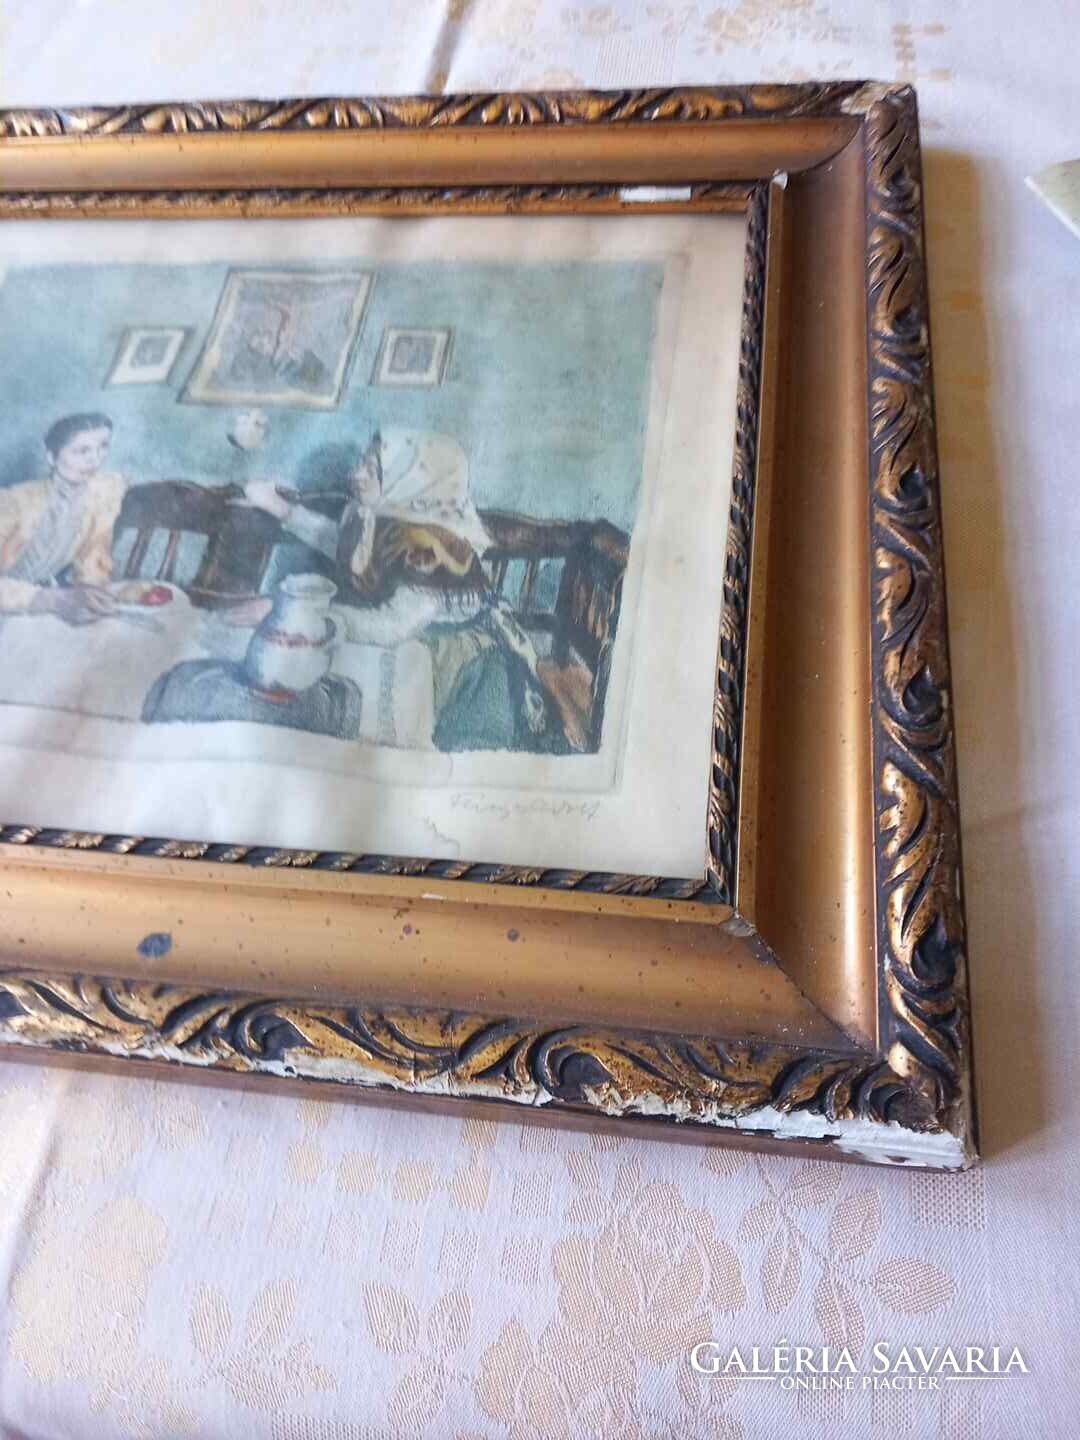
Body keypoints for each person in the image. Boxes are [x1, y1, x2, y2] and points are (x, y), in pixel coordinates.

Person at [243, 429, 571, 752]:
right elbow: (342, 546)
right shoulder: (388, 517)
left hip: (462, 667)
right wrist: (283, 510)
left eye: (374, 469)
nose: (357, 473)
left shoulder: (431, 545)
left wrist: (302, 616)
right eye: (363, 462)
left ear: (410, 479)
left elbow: (393, 625)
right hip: (414, 642)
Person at [0, 412, 126, 623]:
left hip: (47, 610)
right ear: (52, 457)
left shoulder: (100, 496)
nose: (95, 459)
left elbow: (93, 561)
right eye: (82, 451)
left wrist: (90, 593)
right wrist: (49, 599)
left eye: (103, 446)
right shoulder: (14, 502)